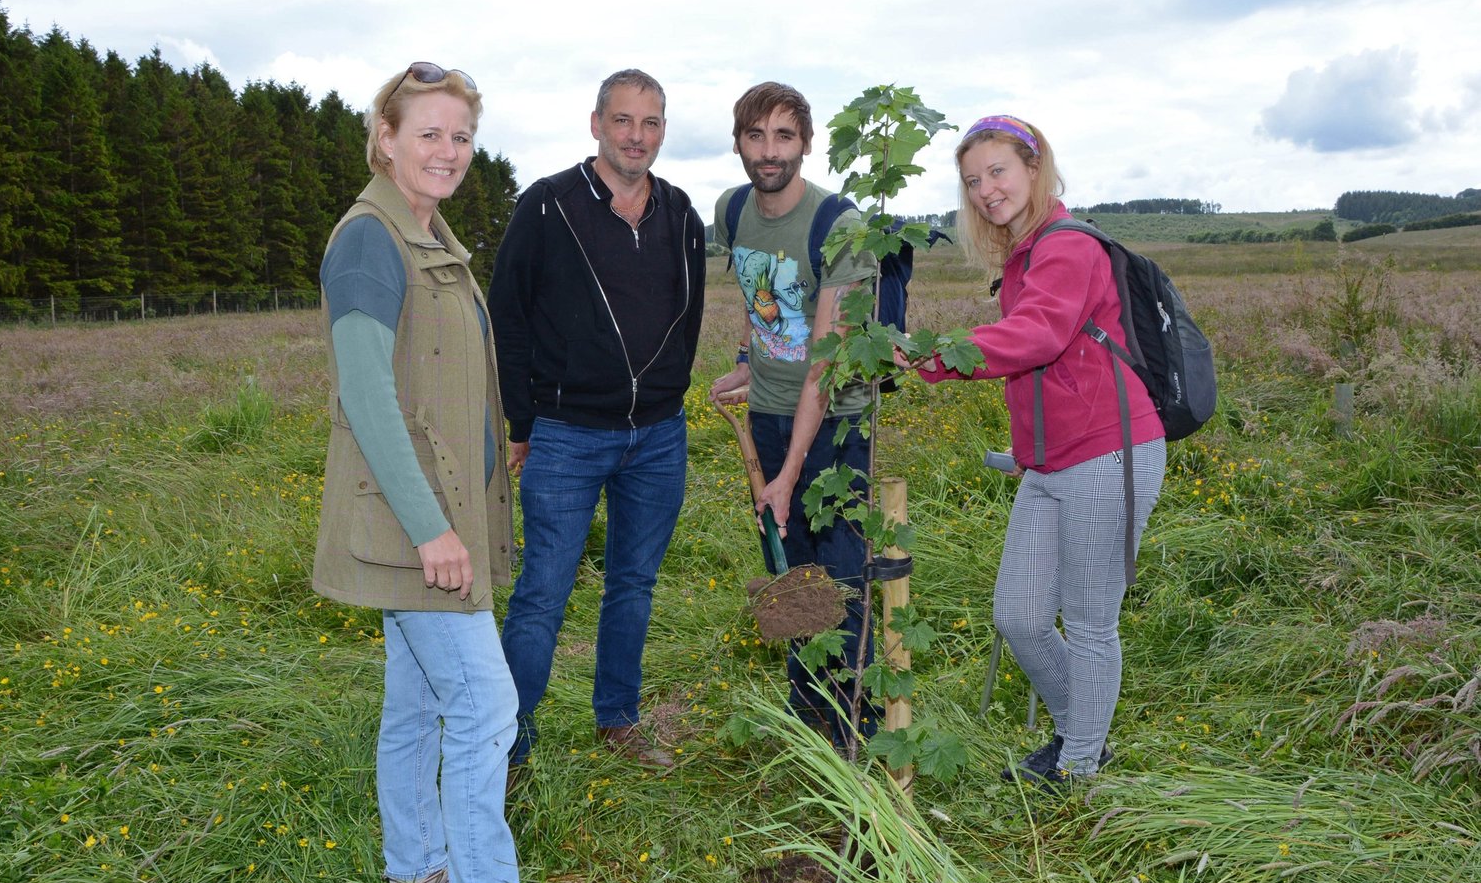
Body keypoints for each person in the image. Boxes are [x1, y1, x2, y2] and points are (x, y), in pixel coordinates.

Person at [311, 64, 523, 883]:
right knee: (486, 706)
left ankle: (418, 875)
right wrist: (433, 528)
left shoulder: (430, 238)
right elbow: (367, 396)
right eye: (428, 132)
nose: (449, 151)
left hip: (439, 518)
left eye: (461, 135)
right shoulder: (371, 241)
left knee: (419, 706)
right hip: (419, 528)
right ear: (386, 137)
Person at [898, 114, 1167, 794]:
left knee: (1090, 625)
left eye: (997, 171)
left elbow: (1038, 336)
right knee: (1017, 616)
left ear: (1034, 166)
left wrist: (933, 355)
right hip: (1049, 464)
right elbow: (1042, 370)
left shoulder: (1067, 246)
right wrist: (1029, 448)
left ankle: (1078, 771)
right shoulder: (1024, 254)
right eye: (972, 181)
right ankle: (1084, 736)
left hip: (1109, 453)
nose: (986, 189)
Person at [488, 69, 706, 772]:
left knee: (633, 585)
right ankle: (506, 745)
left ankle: (618, 719)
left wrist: (669, 391)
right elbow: (507, 317)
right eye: (623, 120)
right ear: (596, 124)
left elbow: (689, 316)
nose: (636, 136)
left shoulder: (681, 213)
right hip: (567, 435)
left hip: (659, 437)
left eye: (650, 123)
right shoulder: (547, 205)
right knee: (542, 594)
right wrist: (522, 422)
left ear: (662, 132)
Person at [708, 81, 882, 749]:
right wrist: (748, 361)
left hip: (835, 427)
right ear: (738, 143)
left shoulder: (837, 224)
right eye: (755, 136)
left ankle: (856, 726)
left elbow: (825, 363)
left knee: (840, 575)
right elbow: (761, 298)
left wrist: (788, 475)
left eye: (784, 136)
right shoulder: (731, 212)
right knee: (791, 573)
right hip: (769, 418)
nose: (769, 151)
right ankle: (808, 711)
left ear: (805, 143)